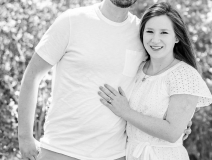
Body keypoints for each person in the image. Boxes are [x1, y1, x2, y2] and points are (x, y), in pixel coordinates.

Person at [18, 1, 192, 160]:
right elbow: (32, 77)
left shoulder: (144, 35)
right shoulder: (72, 21)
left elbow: (156, 81)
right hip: (60, 150)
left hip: (115, 154)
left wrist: (178, 117)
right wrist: (25, 137)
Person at [98, 2, 212, 160]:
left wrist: (126, 112)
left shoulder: (185, 75)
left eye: (164, 33)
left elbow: (172, 133)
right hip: (129, 153)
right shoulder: (138, 69)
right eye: (150, 31)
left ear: (177, 37)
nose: (155, 39)